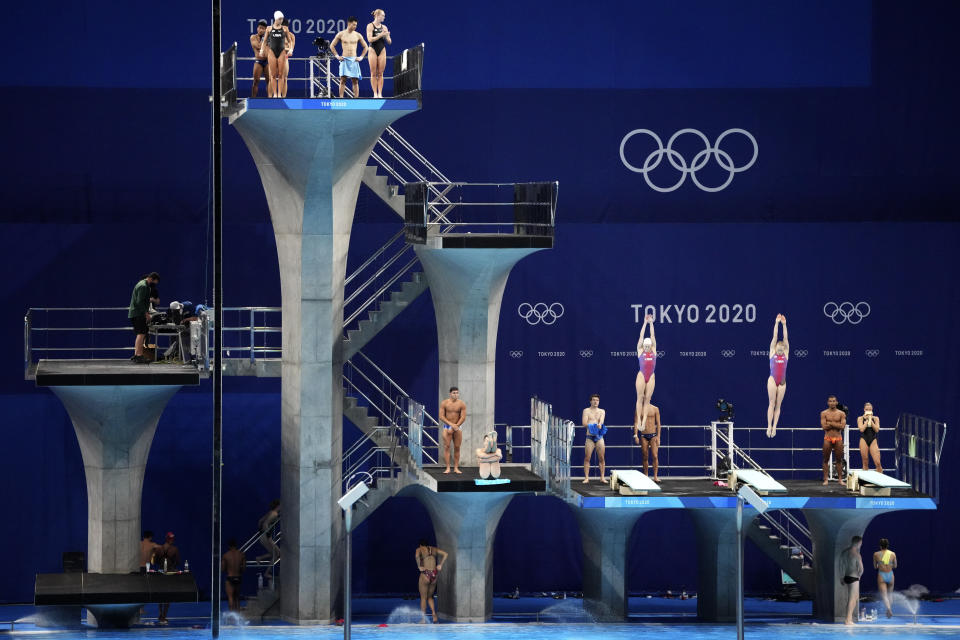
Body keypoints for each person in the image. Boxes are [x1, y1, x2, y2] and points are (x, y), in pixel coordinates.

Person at [329, 17, 369, 98]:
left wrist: (361, 57)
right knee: (343, 80)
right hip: (345, 59)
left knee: (355, 80)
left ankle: (356, 99)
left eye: (356, 25)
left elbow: (366, 47)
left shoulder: (358, 35)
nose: (355, 26)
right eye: (354, 25)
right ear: (349, 24)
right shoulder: (341, 34)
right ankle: (341, 98)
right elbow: (332, 45)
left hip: (354, 60)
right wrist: (337, 56)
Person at [128, 272, 160, 364]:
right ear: (151, 279)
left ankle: (136, 354)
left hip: (136, 313)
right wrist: (146, 314)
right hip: (138, 314)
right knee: (141, 334)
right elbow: (140, 302)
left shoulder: (142, 284)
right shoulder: (143, 286)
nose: (154, 284)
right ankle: (139, 356)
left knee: (140, 334)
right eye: (154, 282)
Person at [766, 314, 789, 437]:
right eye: (779, 349)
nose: (780, 351)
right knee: (771, 403)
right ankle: (769, 426)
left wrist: (784, 324)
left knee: (778, 405)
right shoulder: (772, 351)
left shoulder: (786, 352)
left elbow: (785, 338)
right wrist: (776, 323)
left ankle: (775, 427)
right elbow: (775, 336)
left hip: (782, 382)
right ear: (775, 348)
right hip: (772, 380)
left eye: (782, 349)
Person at [260, 11, 292, 98]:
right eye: (279, 19)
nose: (281, 20)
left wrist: (291, 49)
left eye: (282, 19)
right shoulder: (269, 29)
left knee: (281, 75)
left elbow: (290, 41)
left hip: (281, 52)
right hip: (272, 53)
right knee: (273, 75)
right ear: (275, 19)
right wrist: (262, 50)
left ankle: (279, 94)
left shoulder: (285, 29)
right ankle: (274, 94)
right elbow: (265, 41)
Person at [415, 539, 448, 623]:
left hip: (425, 574)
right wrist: (440, 565)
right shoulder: (434, 549)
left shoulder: (419, 549)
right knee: (430, 597)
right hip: (434, 574)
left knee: (423, 598)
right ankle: (434, 614)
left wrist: (419, 566)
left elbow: (416, 556)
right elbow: (446, 554)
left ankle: (423, 619)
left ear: (421, 545)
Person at [635, 314, 657, 435]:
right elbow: (641, 336)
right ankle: (639, 420)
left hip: (651, 376)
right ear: (643, 346)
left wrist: (651, 323)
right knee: (640, 398)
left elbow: (652, 335)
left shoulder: (654, 350)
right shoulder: (640, 350)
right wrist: (644, 323)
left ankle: (643, 422)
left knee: (647, 399)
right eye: (646, 346)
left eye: (649, 346)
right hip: (642, 375)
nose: (648, 347)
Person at [439, 387, 466, 474]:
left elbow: (463, 417)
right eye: (454, 393)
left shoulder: (461, 404)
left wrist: (456, 426)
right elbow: (441, 416)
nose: (456, 394)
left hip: (458, 427)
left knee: (457, 447)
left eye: (457, 393)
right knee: (447, 447)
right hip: (447, 426)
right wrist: (451, 425)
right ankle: (447, 468)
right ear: (450, 394)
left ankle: (456, 468)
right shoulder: (444, 403)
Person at [821, 395, 847, 485]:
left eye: (834, 401)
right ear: (828, 402)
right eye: (830, 401)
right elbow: (824, 427)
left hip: (838, 438)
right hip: (827, 438)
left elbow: (842, 426)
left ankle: (840, 479)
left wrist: (830, 423)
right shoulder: (824, 413)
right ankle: (825, 479)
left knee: (839, 460)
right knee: (825, 459)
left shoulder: (841, 413)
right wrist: (836, 424)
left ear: (836, 402)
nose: (832, 403)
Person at [581, 394, 607, 483]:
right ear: (590, 401)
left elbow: (602, 420)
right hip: (590, 437)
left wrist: (599, 424)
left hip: (599, 437)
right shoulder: (586, 411)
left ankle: (602, 477)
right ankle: (586, 477)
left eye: (597, 400)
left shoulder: (602, 411)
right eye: (594, 400)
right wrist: (593, 426)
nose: (596, 402)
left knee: (602, 458)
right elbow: (584, 423)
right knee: (587, 457)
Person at [366, 9, 391, 98]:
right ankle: (375, 93)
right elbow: (369, 39)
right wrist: (380, 35)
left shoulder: (384, 27)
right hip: (372, 49)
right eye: (383, 15)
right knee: (373, 73)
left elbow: (389, 42)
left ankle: (380, 93)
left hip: (382, 50)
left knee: (380, 73)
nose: (384, 17)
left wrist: (387, 36)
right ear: (377, 16)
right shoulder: (370, 26)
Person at [156, 532, 181, 625]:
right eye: (172, 539)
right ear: (170, 539)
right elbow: (178, 561)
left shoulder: (159, 549)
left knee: (160, 594)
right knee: (168, 595)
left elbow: (155, 561)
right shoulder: (174, 549)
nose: (172, 540)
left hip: (161, 572)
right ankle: (164, 616)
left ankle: (160, 614)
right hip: (169, 573)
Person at [633, 404, 661, 482]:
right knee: (645, 456)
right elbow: (636, 422)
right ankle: (646, 475)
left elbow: (658, 423)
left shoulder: (655, 408)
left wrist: (658, 437)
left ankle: (655, 476)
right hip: (643, 435)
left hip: (653, 435)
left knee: (655, 456)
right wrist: (635, 435)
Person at [256, 499, 281, 585]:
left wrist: (260, 532)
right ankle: (267, 573)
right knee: (278, 554)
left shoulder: (270, 512)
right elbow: (265, 524)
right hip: (266, 537)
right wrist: (268, 536)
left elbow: (260, 521)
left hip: (262, 536)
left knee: (274, 553)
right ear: (278, 506)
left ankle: (260, 558)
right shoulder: (274, 514)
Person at [840, 535, 864, 625]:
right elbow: (861, 569)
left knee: (855, 598)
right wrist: (860, 576)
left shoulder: (844, 552)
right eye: (861, 543)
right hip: (854, 578)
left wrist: (841, 577)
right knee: (852, 599)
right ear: (858, 543)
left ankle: (849, 619)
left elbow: (841, 565)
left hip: (846, 576)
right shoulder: (857, 554)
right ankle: (847, 620)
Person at [873, 538, 897, 618]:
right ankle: (889, 609)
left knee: (884, 595)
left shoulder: (876, 554)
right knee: (890, 594)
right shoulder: (893, 554)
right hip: (890, 575)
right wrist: (889, 565)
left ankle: (889, 609)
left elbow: (875, 567)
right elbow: (895, 566)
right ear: (888, 545)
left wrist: (879, 564)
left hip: (882, 575)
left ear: (880, 546)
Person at [858, 402, 883, 473]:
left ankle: (881, 481)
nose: (868, 411)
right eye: (867, 409)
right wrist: (866, 421)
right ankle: (865, 481)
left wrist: (871, 420)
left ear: (872, 410)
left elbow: (877, 430)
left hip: (873, 439)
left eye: (870, 409)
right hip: (864, 439)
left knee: (877, 462)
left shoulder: (876, 418)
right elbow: (861, 429)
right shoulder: (860, 418)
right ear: (864, 410)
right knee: (865, 461)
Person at [222, 539, 246, 612]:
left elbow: (222, 569)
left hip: (230, 578)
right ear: (236, 546)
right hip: (238, 577)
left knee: (230, 597)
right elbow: (244, 569)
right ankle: (238, 615)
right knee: (237, 598)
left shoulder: (226, 555)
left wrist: (228, 569)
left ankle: (232, 615)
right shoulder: (241, 554)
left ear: (229, 546)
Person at [250, 20, 269, 97]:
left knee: (269, 81)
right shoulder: (253, 37)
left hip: (267, 61)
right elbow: (257, 46)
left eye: (263, 28)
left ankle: (270, 99)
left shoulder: (268, 37)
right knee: (256, 81)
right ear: (257, 28)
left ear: (265, 30)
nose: (261, 30)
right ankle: (253, 99)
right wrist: (264, 40)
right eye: (260, 28)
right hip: (258, 61)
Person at [281, 17, 295, 97]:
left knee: (285, 78)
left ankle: (284, 97)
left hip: (285, 58)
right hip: (275, 58)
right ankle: (275, 97)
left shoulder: (292, 36)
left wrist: (288, 50)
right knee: (273, 78)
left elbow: (291, 50)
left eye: (285, 28)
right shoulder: (277, 35)